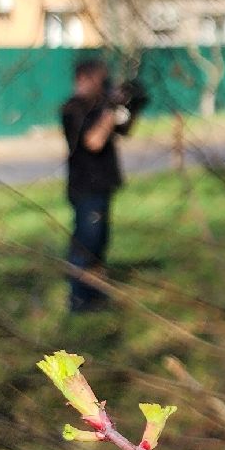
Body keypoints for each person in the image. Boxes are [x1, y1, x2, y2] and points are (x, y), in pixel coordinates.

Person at [61, 59, 138, 312]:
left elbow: (124, 130)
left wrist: (131, 104)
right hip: (85, 188)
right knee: (86, 243)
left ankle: (96, 296)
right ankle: (80, 298)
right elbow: (94, 141)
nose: (104, 86)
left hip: (102, 186)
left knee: (99, 243)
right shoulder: (73, 109)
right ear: (84, 78)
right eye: (101, 80)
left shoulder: (99, 107)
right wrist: (110, 109)